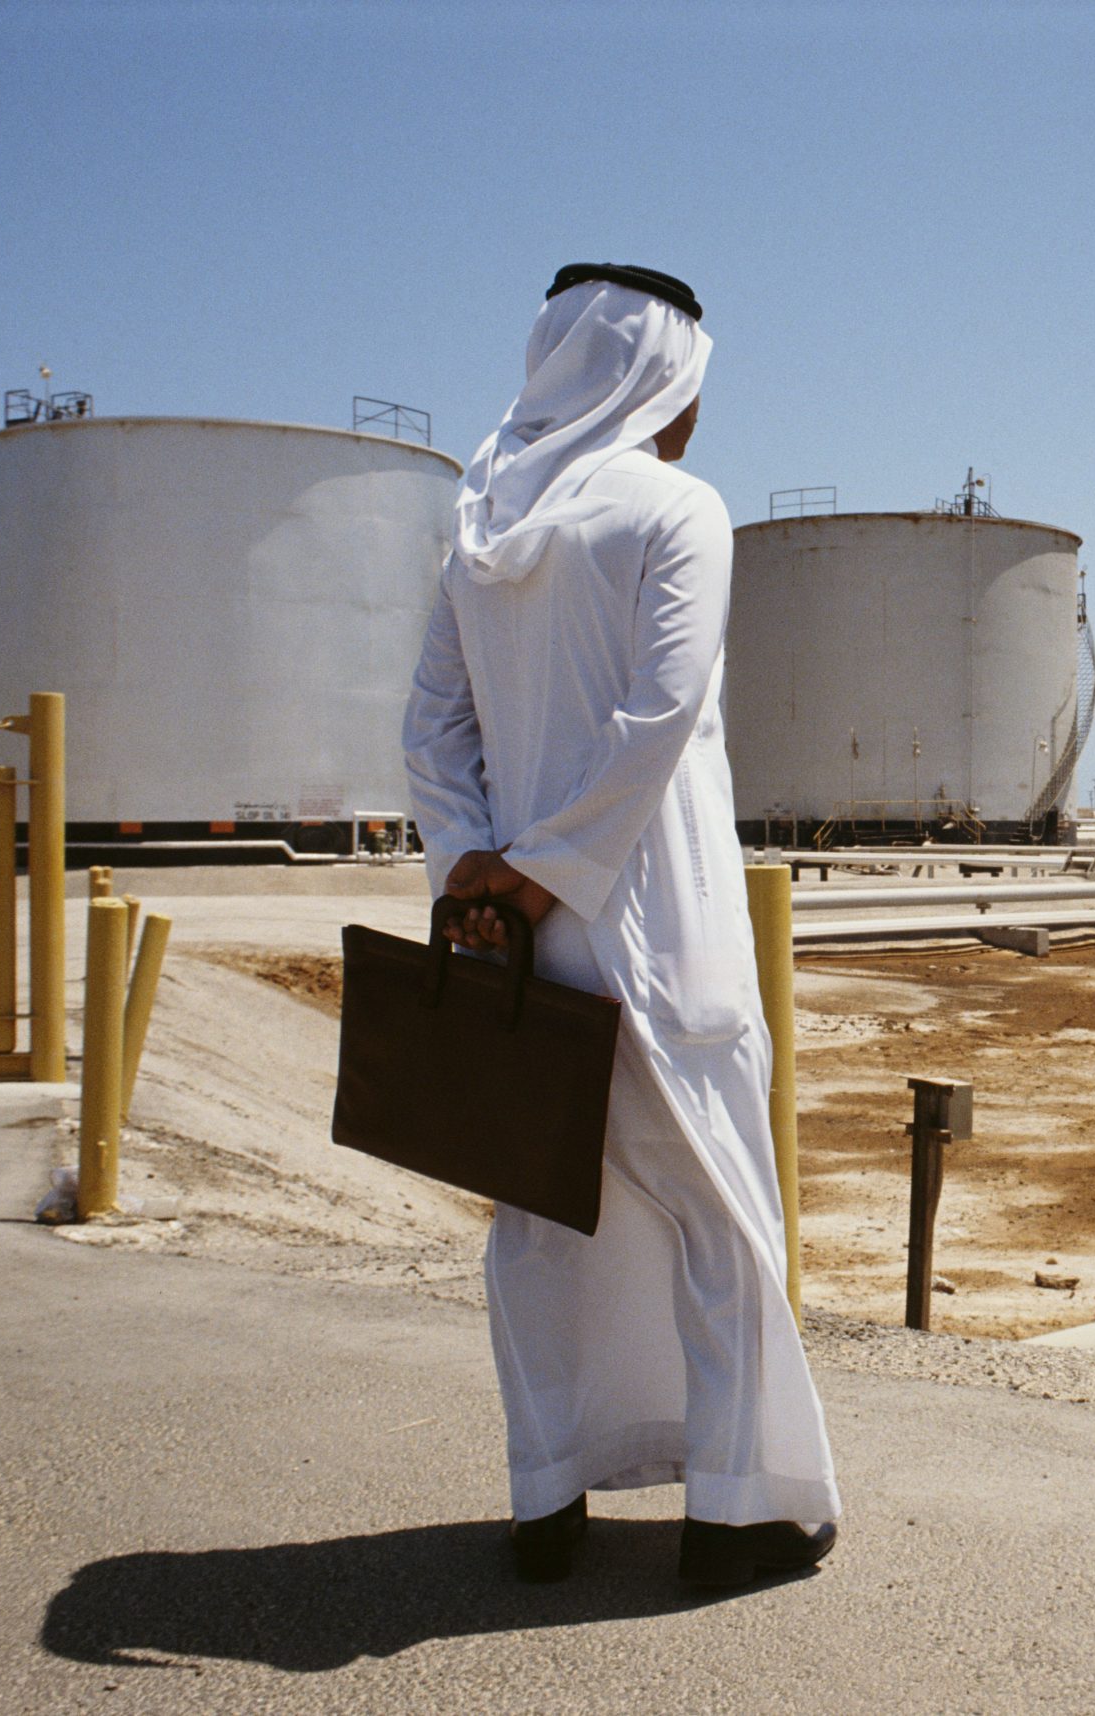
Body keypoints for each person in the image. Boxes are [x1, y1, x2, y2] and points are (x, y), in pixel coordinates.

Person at [402, 263, 840, 1588]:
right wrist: (544, 873)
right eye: (689, 388)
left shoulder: (480, 529)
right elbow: (659, 722)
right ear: (654, 384)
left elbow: (434, 730)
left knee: (541, 1217)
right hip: (657, 924)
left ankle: (545, 1500)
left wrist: (477, 871)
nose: (697, 414)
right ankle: (729, 1513)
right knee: (716, 1210)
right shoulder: (678, 512)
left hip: (518, 941)